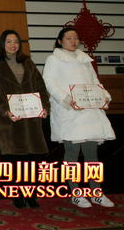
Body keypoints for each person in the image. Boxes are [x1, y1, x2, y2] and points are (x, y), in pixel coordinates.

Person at [43, 27, 115, 208]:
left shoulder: (85, 59)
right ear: (60, 41)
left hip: (89, 111)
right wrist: (68, 99)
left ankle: (96, 192)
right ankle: (75, 193)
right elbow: (50, 82)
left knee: (92, 154)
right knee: (72, 154)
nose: (73, 41)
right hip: (69, 111)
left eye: (75, 38)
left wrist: (104, 98)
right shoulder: (54, 59)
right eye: (68, 38)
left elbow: (95, 82)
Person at [0, 30, 50, 209]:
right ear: (2, 44)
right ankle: (16, 194)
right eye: (8, 41)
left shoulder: (28, 63)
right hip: (10, 120)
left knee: (29, 161)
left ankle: (29, 194)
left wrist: (45, 106)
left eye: (16, 41)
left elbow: (41, 87)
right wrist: (6, 111)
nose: (12, 45)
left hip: (31, 119)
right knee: (12, 161)